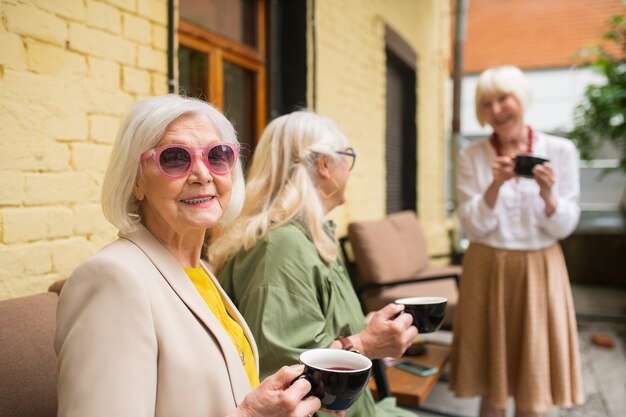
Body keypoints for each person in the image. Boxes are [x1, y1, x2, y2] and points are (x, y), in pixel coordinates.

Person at [54, 95, 326, 417]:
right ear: (136, 181)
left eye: (218, 155)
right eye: (174, 158)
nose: (202, 174)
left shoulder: (197, 270)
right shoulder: (113, 280)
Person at [209, 110, 419, 417]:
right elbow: (287, 374)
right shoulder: (282, 247)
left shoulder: (308, 237)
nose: (349, 169)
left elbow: (315, 332)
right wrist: (366, 343)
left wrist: (368, 329)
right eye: (347, 157)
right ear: (324, 165)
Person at [449, 65, 584, 417]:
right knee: (491, 387)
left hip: (541, 266)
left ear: (520, 99)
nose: (496, 110)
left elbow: (565, 225)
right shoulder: (472, 157)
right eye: (486, 103)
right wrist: (495, 185)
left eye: (503, 99)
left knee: (533, 382)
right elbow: (473, 227)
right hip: (487, 266)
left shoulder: (561, 150)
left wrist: (549, 194)